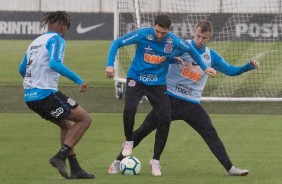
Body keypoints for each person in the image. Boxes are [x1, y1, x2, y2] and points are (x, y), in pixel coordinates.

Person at [108, 20, 259, 176]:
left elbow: (230, 70)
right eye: (198, 36)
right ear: (194, 32)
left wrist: (248, 66)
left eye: (204, 38)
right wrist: (174, 59)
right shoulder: (180, 46)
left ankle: (230, 168)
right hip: (169, 98)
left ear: (209, 37)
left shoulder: (211, 56)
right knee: (143, 131)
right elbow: (163, 55)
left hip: (191, 104)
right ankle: (118, 160)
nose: (200, 40)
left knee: (209, 131)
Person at [105, 14, 217, 171]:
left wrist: (205, 68)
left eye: (163, 33)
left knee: (165, 119)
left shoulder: (173, 41)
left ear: (168, 31)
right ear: (153, 26)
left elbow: (191, 50)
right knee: (129, 109)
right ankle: (129, 141)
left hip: (157, 84)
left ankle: (155, 160)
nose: (159, 35)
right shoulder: (143, 34)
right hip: (136, 79)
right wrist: (110, 65)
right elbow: (117, 43)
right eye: (157, 31)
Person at [18, 11, 95, 179]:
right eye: (66, 28)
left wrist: (33, 84)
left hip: (30, 98)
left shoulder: (35, 42)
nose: (66, 32)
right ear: (62, 26)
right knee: (85, 119)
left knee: (67, 126)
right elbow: (54, 63)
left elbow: (22, 69)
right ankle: (60, 157)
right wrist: (78, 79)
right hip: (46, 95)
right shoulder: (57, 39)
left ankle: (75, 169)